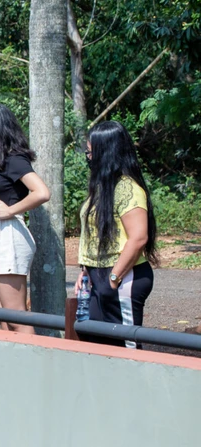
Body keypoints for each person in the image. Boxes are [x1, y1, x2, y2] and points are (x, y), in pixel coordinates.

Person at [75, 121, 158, 348]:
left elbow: (139, 237)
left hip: (122, 276)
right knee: (94, 340)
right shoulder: (102, 187)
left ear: (106, 152)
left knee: (125, 347)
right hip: (97, 277)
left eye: (91, 152)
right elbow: (94, 235)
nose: (88, 157)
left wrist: (114, 278)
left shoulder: (127, 188)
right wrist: (85, 272)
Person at [0, 103, 50, 334]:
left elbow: (42, 192)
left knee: (16, 316)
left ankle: (31, 365)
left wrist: (10, 210)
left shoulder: (14, 158)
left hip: (9, 235)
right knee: (2, 315)